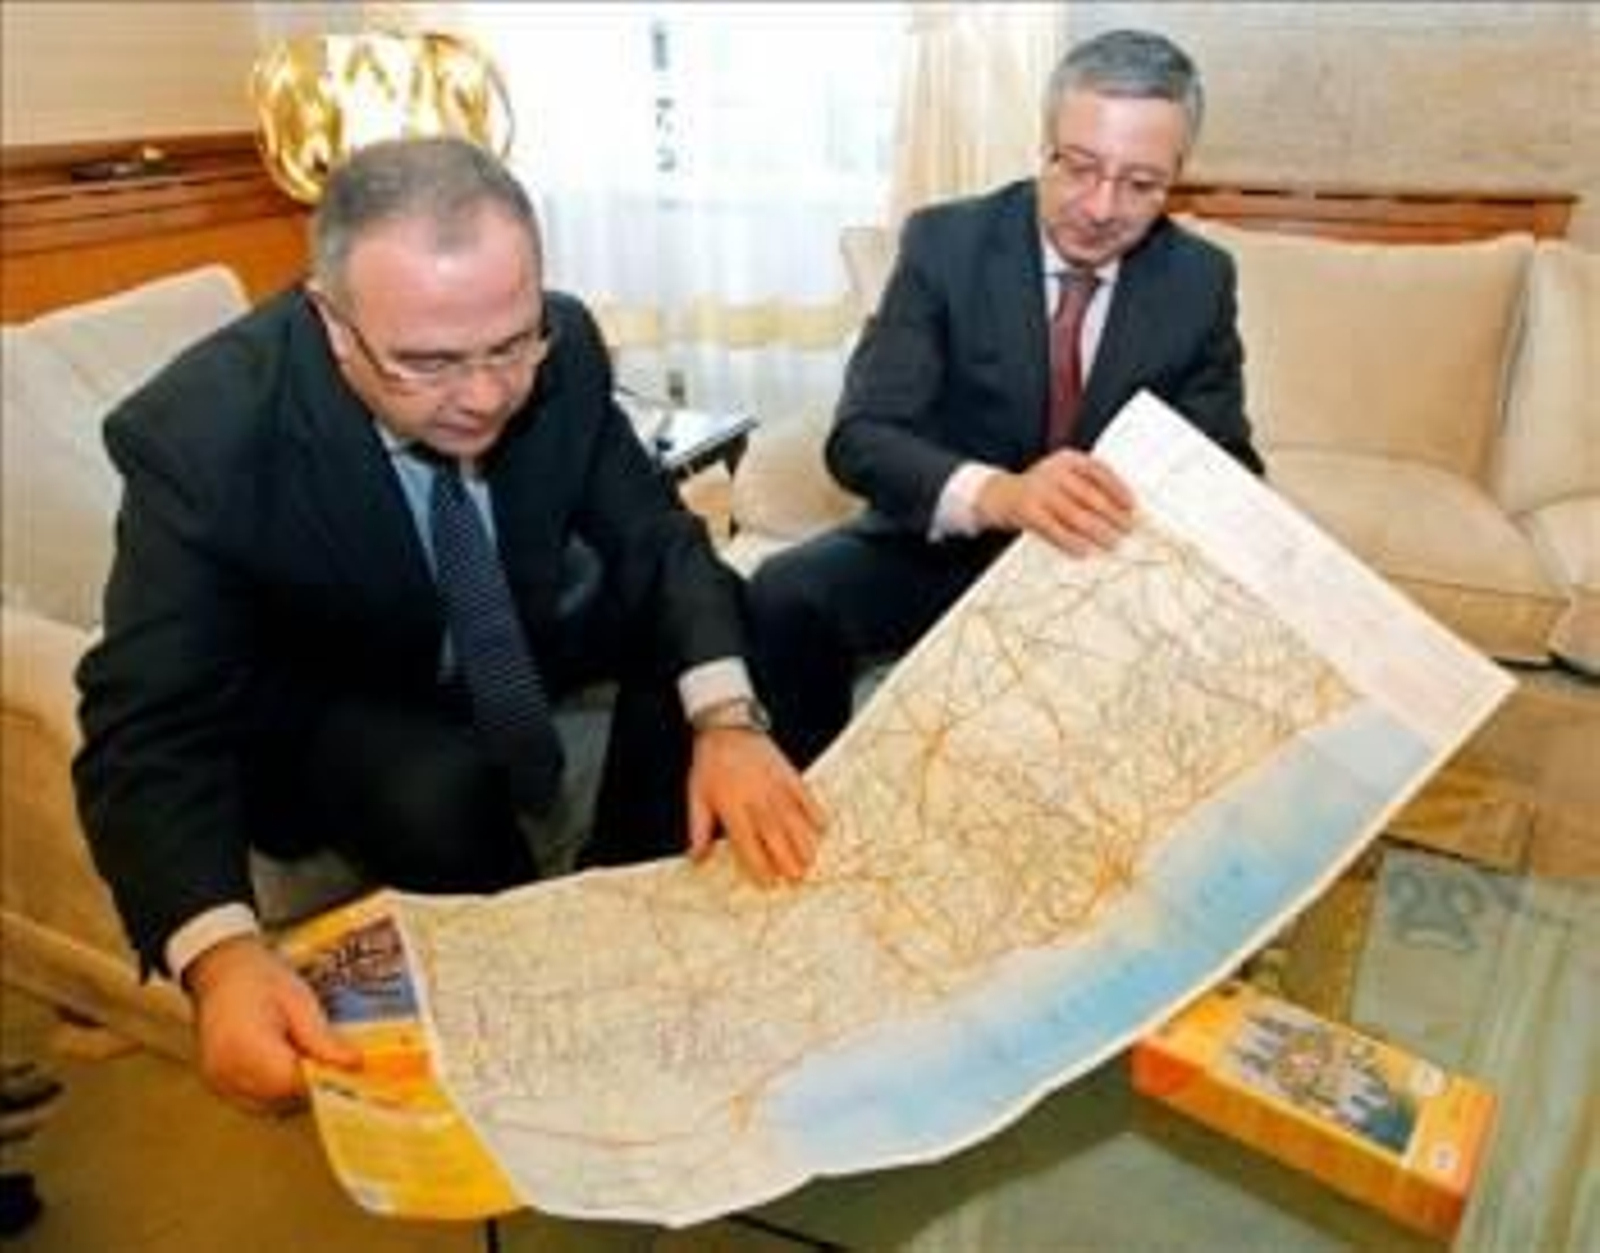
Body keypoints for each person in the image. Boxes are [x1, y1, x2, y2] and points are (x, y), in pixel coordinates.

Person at [73, 136, 823, 1112]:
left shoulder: (567, 344)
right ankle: (520, 1002)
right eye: (426, 362)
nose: (482, 395)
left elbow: (654, 540)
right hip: (332, 690)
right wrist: (219, 960)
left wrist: (726, 723)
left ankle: (630, 907)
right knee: (437, 790)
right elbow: (149, 720)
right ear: (333, 323)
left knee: (737, 631)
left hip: (511, 630)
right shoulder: (201, 435)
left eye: (509, 345)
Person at [749, 29, 1264, 766]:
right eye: (1080, 167)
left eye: (1141, 183)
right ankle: (814, 826)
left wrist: (1129, 504)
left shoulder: (1199, 280)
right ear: (1045, 145)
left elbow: (1229, 462)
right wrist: (1004, 495)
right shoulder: (945, 243)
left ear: (1177, 176)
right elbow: (862, 436)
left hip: (1097, 567)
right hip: (943, 553)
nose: (1100, 206)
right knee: (785, 590)